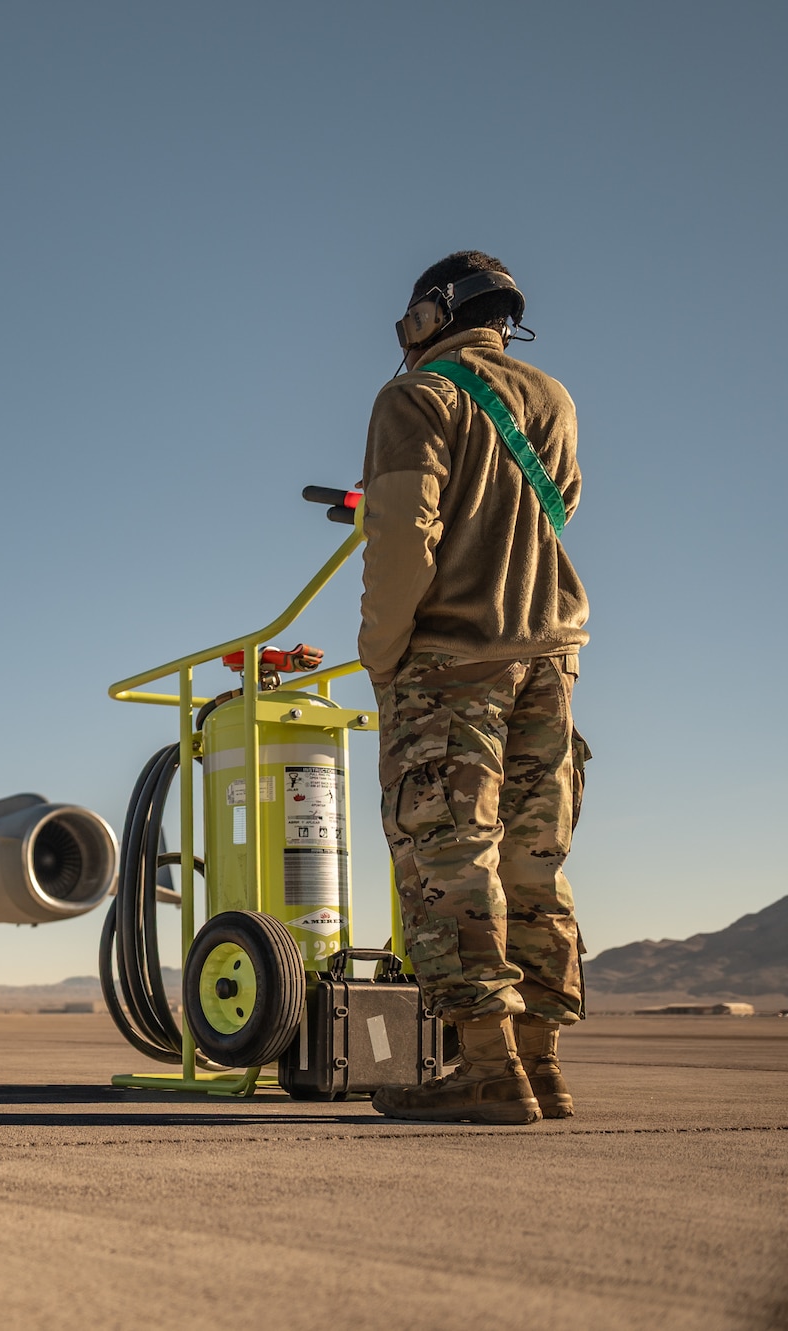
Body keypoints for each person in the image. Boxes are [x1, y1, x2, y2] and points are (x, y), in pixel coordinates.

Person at [358, 251, 589, 1125]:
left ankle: (488, 1068)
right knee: (537, 864)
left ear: (427, 319)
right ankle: (543, 1065)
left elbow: (400, 539)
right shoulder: (553, 401)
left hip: (452, 662)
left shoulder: (414, 399)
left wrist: (383, 654)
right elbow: (559, 507)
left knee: (449, 856)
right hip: (552, 660)